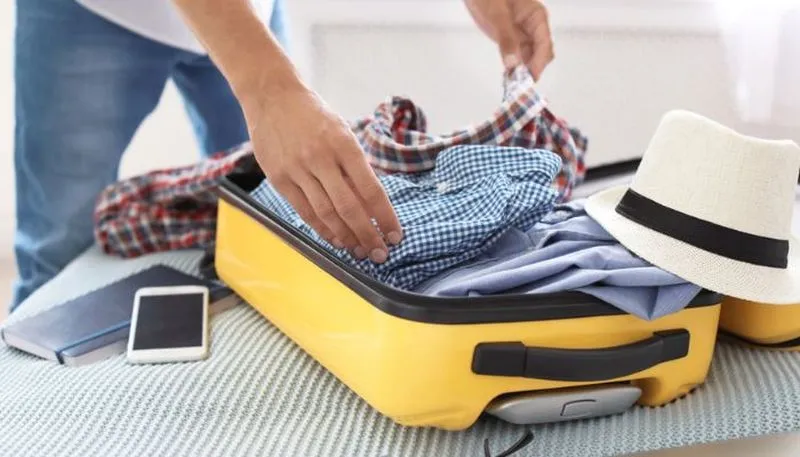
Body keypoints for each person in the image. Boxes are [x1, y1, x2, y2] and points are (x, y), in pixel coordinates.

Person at [11, 0, 554, 311]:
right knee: (60, 243)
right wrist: (270, 89)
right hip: (92, 13)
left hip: (246, 12)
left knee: (265, 228)